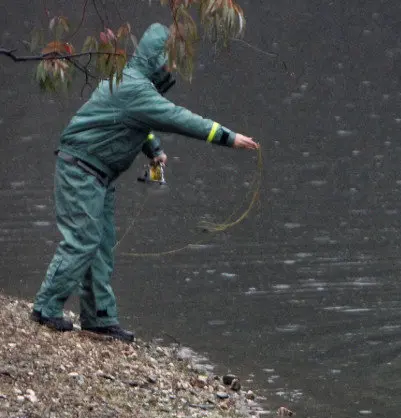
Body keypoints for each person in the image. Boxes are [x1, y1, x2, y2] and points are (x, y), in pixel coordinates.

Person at [30, 23, 260, 342]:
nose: (171, 69)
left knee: (100, 245)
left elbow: (133, 121)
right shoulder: (135, 89)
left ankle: (99, 318)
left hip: (97, 173)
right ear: (156, 59)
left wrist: (152, 148)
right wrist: (227, 137)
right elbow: (178, 118)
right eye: (169, 62)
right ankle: (45, 308)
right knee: (83, 239)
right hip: (80, 169)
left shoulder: (129, 82)